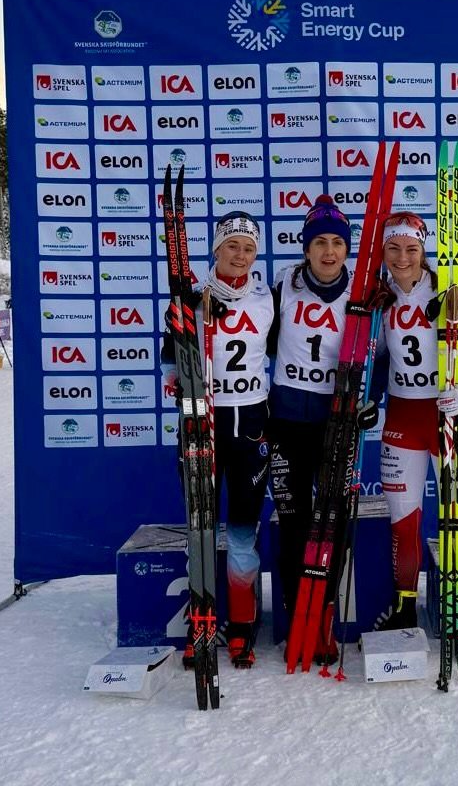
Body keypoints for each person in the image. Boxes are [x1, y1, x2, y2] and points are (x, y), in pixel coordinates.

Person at [376, 211, 458, 656]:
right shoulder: (379, 296)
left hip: (450, 416)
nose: (403, 257)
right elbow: (378, 357)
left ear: (424, 251)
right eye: (394, 248)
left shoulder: (450, 290)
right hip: (402, 419)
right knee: (403, 520)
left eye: (411, 249)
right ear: (384, 251)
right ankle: (406, 607)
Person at [268, 194, 378, 664]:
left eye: (337, 242)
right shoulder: (281, 289)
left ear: (347, 248)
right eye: (320, 243)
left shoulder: (367, 293)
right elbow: (249, 339)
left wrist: (372, 401)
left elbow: (384, 355)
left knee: (333, 526)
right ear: (305, 248)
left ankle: (325, 617)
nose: (329, 251)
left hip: (339, 424)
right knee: (294, 526)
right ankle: (298, 617)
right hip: (288, 422)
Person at [162, 211, 274, 669]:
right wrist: (178, 386)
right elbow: (171, 358)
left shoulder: (268, 296)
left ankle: (244, 623)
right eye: (232, 246)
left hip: (250, 422)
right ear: (216, 249)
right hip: (202, 421)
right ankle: (202, 621)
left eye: (248, 248)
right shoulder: (189, 297)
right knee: (201, 527)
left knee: (244, 532)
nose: (240, 255)